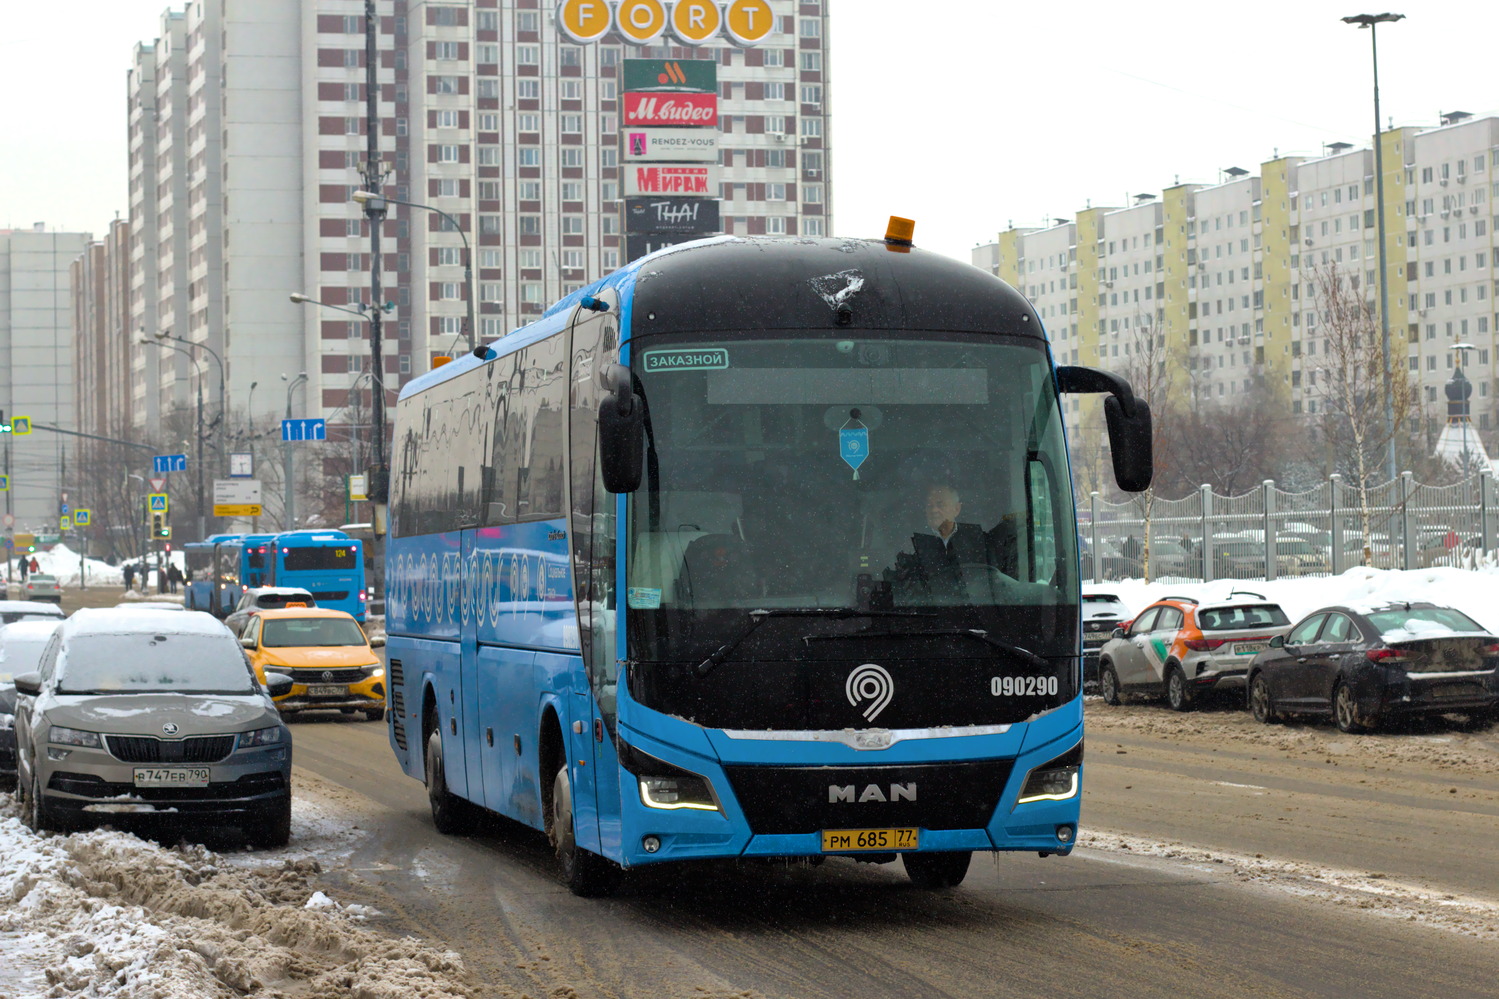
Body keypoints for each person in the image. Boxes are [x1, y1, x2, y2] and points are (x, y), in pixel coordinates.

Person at [886, 483, 997, 602]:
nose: (934, 510)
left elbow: (994, 582)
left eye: (940, 504)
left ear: (957, 509)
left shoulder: (979, 541)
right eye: (929, 505)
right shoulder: (910, 546)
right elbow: (906, 590)